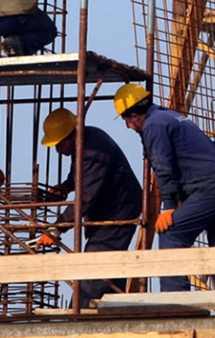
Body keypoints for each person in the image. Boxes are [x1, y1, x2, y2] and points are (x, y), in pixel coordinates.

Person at [113, 83, 215, 292]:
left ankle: (176, 303)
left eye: (126, 120)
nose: (128, 127)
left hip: (212, 188)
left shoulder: (153, 126)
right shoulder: (167, 116)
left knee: (171, 233)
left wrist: (169, 207)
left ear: (134, 116)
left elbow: (163, 168)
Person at [35, 107, 142, 308]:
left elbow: (86, 197)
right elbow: (80, 174)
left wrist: (56, 229)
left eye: (59, 145)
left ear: (70, 136)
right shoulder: (86, 140)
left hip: (117, 212)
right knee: (110, 268)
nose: (57, 150)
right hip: (113, 210)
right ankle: (111, 313)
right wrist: (66, 186)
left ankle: (79, 318)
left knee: (94, 269)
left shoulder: (91, 150)